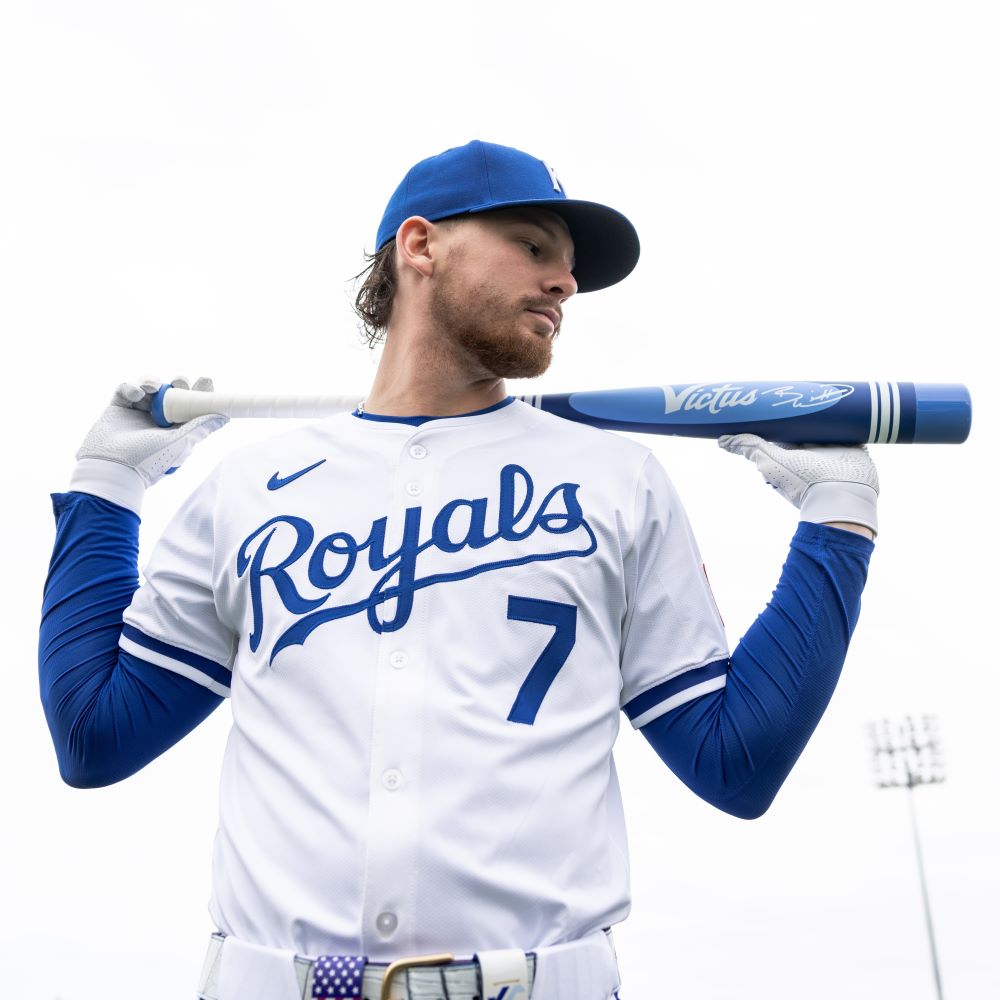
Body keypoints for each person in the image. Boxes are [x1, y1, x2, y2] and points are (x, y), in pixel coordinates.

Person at [39, 139, 877, 1000]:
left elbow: (736, 761)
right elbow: (95, 736)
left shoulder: (617, 480)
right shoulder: (248, 490)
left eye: (570, 266)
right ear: (420, 246)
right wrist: (107, 492)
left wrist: (837, 527)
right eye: (533, 245)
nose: (565, 283)